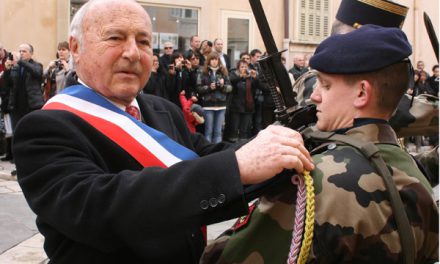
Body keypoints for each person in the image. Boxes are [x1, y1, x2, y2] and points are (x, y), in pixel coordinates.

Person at [12, 0, 314, 263]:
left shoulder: (159, 108)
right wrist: (237, 166)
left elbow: (211, 156)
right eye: (115, 37)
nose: (133, 53)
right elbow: (103, 208)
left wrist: (287, 143)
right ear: (75, 47)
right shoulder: (44, 128)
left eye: (143, 41)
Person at [202, 24, 438, 264]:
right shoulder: (413, 173)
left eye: (325, 85)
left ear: (361, 94)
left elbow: (222, 257)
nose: (314, 96)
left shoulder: (314, 181)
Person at [4, 43, 43, 162]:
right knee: (17, 134)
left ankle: (32, 159)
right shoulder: (16, 67)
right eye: (19, 51)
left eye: (24, 51)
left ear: (31, 53)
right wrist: (7, 70)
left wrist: (20, 62)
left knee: (31, 133)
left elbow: (37, 73)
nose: (21, 53)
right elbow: (7, 84)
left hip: (31, 105)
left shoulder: (37, 65)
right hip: (16, 107)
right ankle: (18, 160)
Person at [196, 52, 232, 143]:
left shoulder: (224, 71)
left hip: (221, 105)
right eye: (212, 59)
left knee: (218, 132)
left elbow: (230, 88)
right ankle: (208, 152)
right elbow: (199, 88)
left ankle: (217, 152)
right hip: (208, 105)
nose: (214, 61)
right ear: (208, 61)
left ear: (218, 61)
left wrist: (222, 86)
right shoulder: (202, 72)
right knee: (208, 131)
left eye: (216, 59)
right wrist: (209, 87)